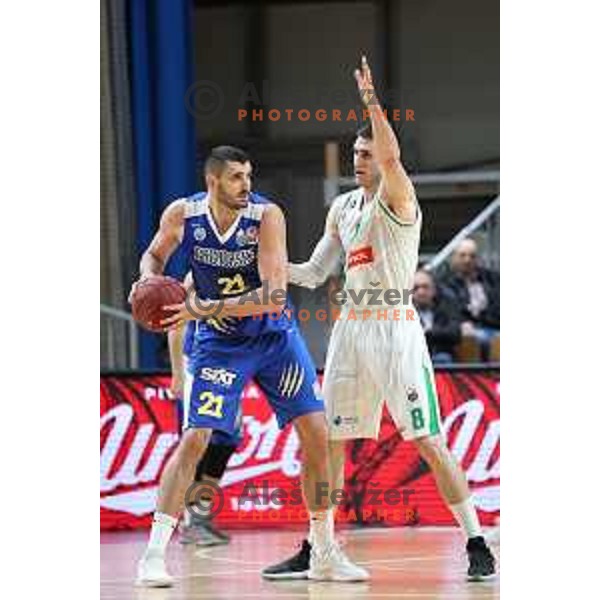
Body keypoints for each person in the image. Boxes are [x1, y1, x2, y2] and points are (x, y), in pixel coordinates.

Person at [272, 56, 495, 581]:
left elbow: (392, 157)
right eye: (355, 153)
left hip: (396, 327)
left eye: (366, 153)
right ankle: (317, 544)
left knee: (427, 440)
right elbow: (311, 272)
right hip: (351, 327)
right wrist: (264, 265)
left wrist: (372, 102)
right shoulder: (343, 207)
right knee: (329, 442)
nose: (359, 160)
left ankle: (476, 540)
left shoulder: (398, 194)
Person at [131, 146, 367, 587]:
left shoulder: (266, 216)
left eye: (249, 175)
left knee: (318, 434)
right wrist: (147, 278)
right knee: (195, 438)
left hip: (274, 337)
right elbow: (154, 256)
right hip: (219, 344)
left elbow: (274, 294)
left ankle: (324, 549)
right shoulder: (183, 215)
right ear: (213, 181)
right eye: (237, 177)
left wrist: (204, 307)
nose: (247, 185)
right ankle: (154, 554)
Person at [168, 317, 237, 547]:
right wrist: (178, 374)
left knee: (226, 441)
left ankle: (201, 516)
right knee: (198, 442)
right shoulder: (192, 282)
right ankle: (191, 522)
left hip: (231, 365)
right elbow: (176, 324)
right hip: (198, 364)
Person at [439, 238, 500, 359]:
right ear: (454, 258)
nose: (467, 260)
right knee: (471, 339)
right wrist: (461, 323)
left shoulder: (492, 279)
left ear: (478, 259)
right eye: (462, 255)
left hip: (493, 327)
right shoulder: (445, 282)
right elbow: (449, 309)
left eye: (472, 256)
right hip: (465, 330)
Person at [412, 269, 461, 363]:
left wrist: (427, 333)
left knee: (443, 358)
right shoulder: (402, 312)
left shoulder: (447, 307)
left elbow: (455, 334)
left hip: (442, 356)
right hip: (415, 357)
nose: (421, 292)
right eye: (416, 288)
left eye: (425, 287)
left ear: (434, 290)